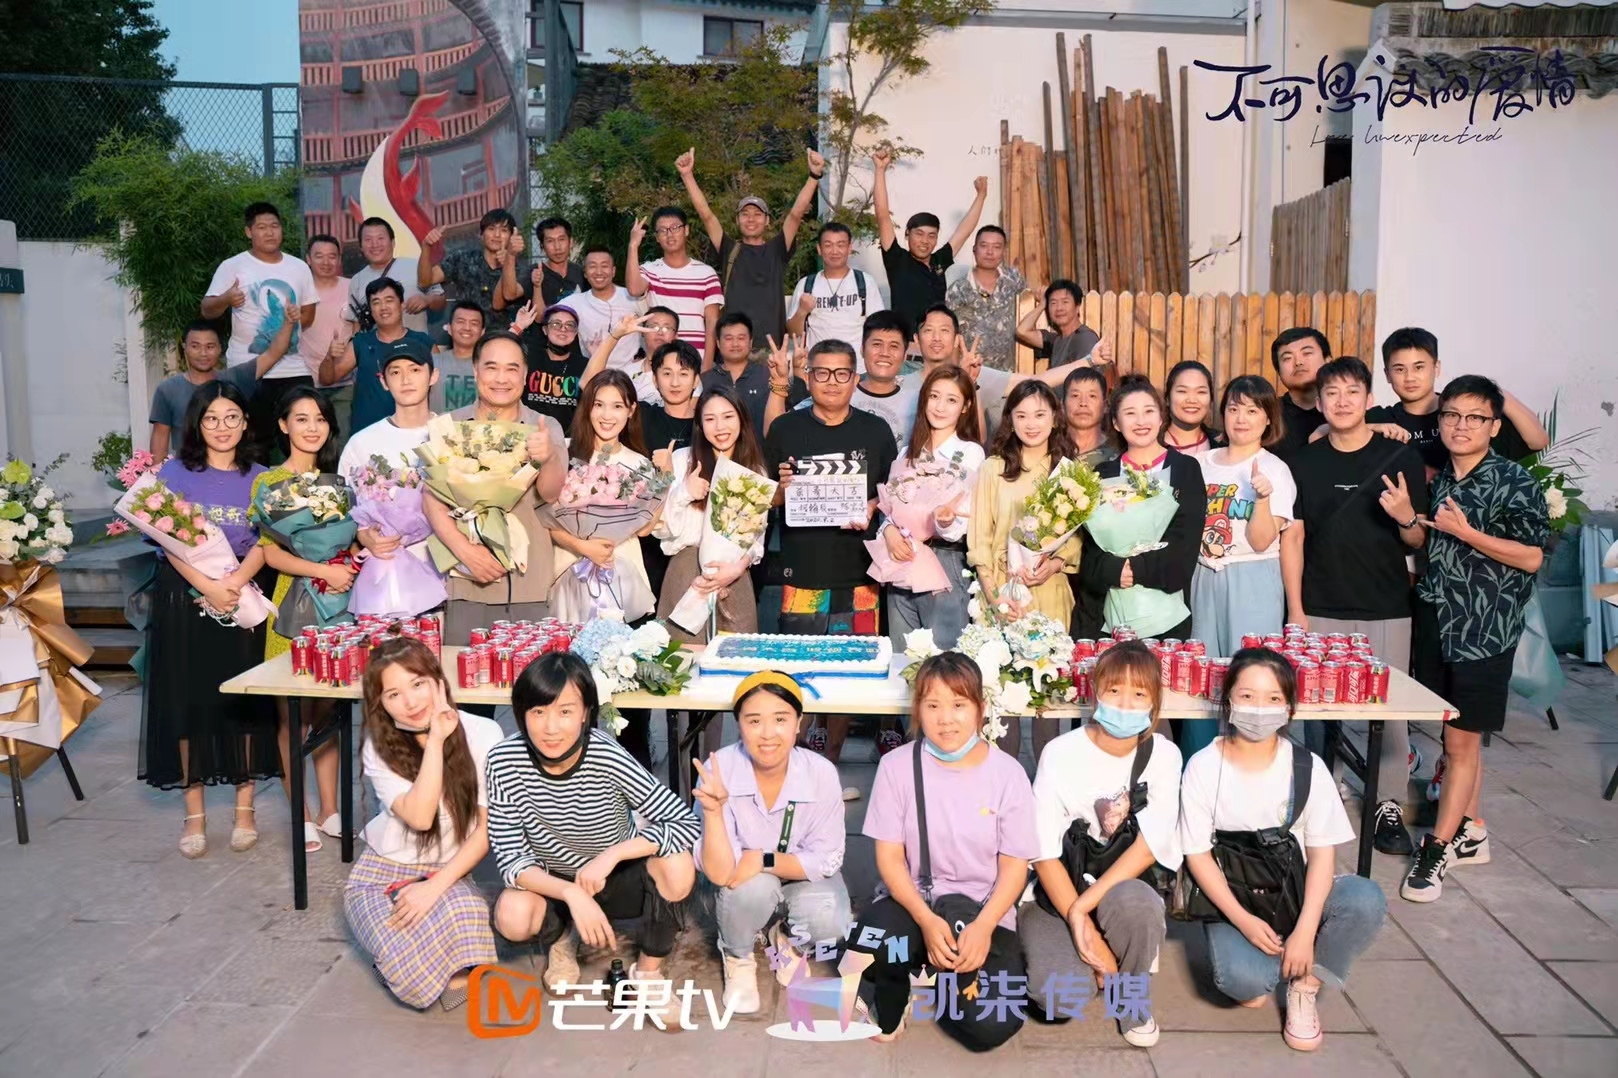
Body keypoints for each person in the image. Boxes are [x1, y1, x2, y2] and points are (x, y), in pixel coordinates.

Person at [1179, 648, 1386, 1053]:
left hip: (1295, 890)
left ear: (1289, 707)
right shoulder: (1203, 766)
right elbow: (1197, 854)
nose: (1259, 709)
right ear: (1228, 700)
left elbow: (1322, 854)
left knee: (1365, 898)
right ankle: (1266, 959)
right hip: (1236, 895)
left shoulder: (1307, 767)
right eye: (1247, 696)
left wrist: (1307, 930)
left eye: (1273, 698)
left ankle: (1305, 986)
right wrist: (1242, 920)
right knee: (1245, 984)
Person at [1400, 376, 1548, 904]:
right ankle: (1472, 832)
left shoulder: (1513, 480)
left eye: (1474, 417)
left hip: (1484, 630)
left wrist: (1467, 534)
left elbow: (1532, 557)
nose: (1461, 426)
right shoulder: (1441, 479)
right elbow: (1428, 544)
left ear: (1494, 426)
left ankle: (1436, 849)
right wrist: (1409, 521)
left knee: (1461, 742)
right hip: (1439, 620)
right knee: (1457, 737)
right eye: (1452, 416)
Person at [487, 652, 700, 1017]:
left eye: (565, 711)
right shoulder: (503, 761)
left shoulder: (606, 755)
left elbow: (684, 822)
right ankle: (561, 940)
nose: (551, 727)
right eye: (538, 711)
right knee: (512, 915)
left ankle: (648, 972)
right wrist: (571, 893)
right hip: (553, 883)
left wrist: (614, 855)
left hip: (613, 878)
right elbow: (510, 859)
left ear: (585, 712)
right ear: (521, 714)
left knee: (678, 864)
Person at [843, 652, 1038, 1049]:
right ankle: (897, 982)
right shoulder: (897, 766)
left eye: (958, 705)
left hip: (983, 912)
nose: (946, 719)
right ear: (917, 710)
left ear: (981, 707)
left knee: (991, 1026)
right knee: (871, 940)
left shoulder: (1008, 775)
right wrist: (927, 921)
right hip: (916, 904)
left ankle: (946, 980)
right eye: (933, 706)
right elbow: (889, 859)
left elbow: (1015, 867)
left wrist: (984, 928)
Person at [1282, 356, 1428, 854]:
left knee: (1389, 711)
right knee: (1314, 712)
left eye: (1352, 392)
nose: (1342, 402)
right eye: (1332, 393)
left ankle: (1387, 804)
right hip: (1320, 602)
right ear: (1320, 403)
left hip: (1385, 603)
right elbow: (1294, 539)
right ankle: (1318, 797)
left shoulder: (1400, 457)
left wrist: (1407, 516)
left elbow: (1415, 540)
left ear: (1369, 399)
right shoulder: (1303, 463)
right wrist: (1296, 609)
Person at [139, 382, 278, 858]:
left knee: (244, 702)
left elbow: (267, 541)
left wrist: (233, 583)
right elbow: (167, 541)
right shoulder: (174, 473)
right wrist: (207, 585)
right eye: (211, 418)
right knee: (188, 701)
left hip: (243, 593)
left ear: (245, 423)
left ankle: (245, 809)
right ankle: (194, 813)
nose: (222, 427)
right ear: (197, 425)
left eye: (231, 417)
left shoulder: (262, 478)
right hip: (184, 597)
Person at [1019, 641, 1181, 1047]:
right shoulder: (1060, 753)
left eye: (1139, 693)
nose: (1125, 704)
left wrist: (1083, 911)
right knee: (1057, 997)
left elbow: (1149, 846)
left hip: (1119, 887)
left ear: (1155, 702)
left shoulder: (1164, 755)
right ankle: (1101, 958)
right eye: (1114, 690)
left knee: (1140, 906)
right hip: (1058, 888)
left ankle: (1131, 995)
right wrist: (1077, 917)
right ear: (1094, 692)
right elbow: (1043, 851)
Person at [344, 638, 502, 1010]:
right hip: (382, 871)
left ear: (438, 681)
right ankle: (402, 960)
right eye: (393, 694)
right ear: (380, 703)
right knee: (402, 949)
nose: (411, 702)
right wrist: (434, 742)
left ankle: (440, 961)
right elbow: (420, 816)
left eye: (418, 684)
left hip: (447, 869)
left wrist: (434, 887)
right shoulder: (378, 747)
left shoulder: (484, 733)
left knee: (467, 915)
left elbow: (487, 828)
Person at [764, 339, 898, 772]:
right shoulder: (784, 429)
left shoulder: (875, 430)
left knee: (849, 670)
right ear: (808, 378)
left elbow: (892, 494)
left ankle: (832, 759)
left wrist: (873, 506)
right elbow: (764, 496)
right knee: (799, 669)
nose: (832, 382)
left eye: (842, 373)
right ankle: (796, 761)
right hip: (801, 570)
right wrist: (781, 490)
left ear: (855, 379)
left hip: (859, 573)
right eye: (822, 373)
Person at [692, 672, 851, 1014]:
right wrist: (714, 812)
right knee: (752, 890)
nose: (767, 733)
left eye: (780, 719)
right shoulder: (720, 769)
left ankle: (790, 940)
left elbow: (826, 858)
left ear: (799, 723)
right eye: (754, 721)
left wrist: (763, 858)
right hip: (743, 883)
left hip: (795, 875)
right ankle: (737, 956)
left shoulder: (820, 772)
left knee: (830, 919)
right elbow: (722, 874)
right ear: (739, 724)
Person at [252, 388, 354, 853]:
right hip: (292, 603)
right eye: (301, 418)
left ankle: (331, 810)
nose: (312, 428)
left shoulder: (337, 481)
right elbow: (270, 552)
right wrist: (322, 570)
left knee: (328, 708)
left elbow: (348, 541)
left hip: (336, 605)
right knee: (292, 714)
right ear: (283, 425)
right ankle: (302, 815)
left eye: (320, 419)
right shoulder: (269, 483)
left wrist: (351, 560)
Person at [422, 332, 567, 646]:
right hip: (467, 579)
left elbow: (551, 493)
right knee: (465, 669)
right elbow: (431, 499)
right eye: (491, 367)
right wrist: (465, 551)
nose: (501, 378)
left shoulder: (545, 427)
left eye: (512, 369)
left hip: (529, 578)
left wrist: (549, 457)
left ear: (525, 376)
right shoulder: (448, 426)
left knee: (530, 670)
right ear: (475, 371)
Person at [1183, 376, 1296, 757]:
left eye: (1252, 410)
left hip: (1253, 578)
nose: (1242, 418)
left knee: (1251, 677)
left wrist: (1262, 499)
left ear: (1268, 419)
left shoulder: (1275, 469)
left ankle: (1252, 764)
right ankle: (1198, 766)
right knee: (1201, 679)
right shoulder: (1200, 464)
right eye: (1234, 409)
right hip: (1203, 574)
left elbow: (1263, 540)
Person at [968, 380, 1080, 765]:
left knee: (1049, 696)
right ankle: (1007, 782)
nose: (1031, 424)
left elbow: (1078, 540)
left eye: (1040, 414)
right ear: (1010, 420)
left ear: (1055, 418)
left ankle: (1048, 785)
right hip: (1002, 591)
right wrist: (995, 597)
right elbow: (980, 538)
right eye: (1022, 415)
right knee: (1004, 696)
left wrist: (1055, 564)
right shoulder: (993, 469)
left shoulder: (1069, 472)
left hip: (1050, 592)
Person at [654, 385, 765, 702]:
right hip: (686, 572)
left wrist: (737, 568)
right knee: (682, 674)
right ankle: (683, 736)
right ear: (700, 425)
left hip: (733, 575)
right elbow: (664, 528)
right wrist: (684, 493)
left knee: (736, 675)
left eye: (728, 417)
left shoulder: (753, 467)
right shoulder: (681, 460)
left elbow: (756, 537)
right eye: (710, 419)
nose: (720, 426)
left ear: (741, 420)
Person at [1077, 376, 1204, 641]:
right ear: (1116, 422)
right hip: (1110, 615)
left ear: (1161, 417)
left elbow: (1185, 544)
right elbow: (1090, 550)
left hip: (1167, 616)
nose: (1141, 421)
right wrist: (1114, 570)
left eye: (1148, 411)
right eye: (1130, 413)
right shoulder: (1100, 475)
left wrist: (1135, 568)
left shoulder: (1185, 469)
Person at [881, 364, 985, 656]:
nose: (940, 407)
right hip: (901, 558)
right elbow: (890, 507)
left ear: (966, 406)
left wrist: (943, 521)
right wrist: (888, 532)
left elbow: (959, 526)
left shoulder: (970, 453)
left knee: (944, 660)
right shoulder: (907, 453)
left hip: (944, 560)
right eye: (934, 396)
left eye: (951, 400)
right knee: (902, 658)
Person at [678, 146, 823, 349]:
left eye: (757, 214)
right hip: (733, 348)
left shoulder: (777, 250)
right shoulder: (729, 250)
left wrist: (814, 176)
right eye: (745, 214)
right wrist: (687, 175)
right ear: (737, 220)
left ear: (767, 220)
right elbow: (706, 215)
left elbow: (795, 215)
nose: (751, 219)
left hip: (771, 350)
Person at [201, 201, 319, 438]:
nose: (270, 232)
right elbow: (207, 310)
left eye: (274, 226)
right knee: (253, 444)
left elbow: (308, 315)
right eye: (262, 227)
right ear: (249, 232)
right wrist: (226, 298)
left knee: (302, 439)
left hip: (293, 369)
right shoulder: (232, 266)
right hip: (249, 370)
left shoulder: (299, 267)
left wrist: (290, 323)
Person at [547, 369, 656, 624]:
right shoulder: (563, 452)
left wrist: (667, 482)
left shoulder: (640, 463)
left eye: (617, 406)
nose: (607, 415)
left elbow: (644, 529)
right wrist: (582, 547)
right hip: (569, 571)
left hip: (623, 576)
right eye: (599, 405)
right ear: (588, 407)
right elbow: (546, 520)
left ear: (631, 410)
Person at [1369, 327, 1548, 475]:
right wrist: (1371, 428)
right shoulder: (1381, 419)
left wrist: (1497, 393)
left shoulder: (1468, 415)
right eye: (1400, 369)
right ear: (1387, 375)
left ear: (1436, 368)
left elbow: (1537, 441)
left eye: (1419, 367)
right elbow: (1349, 439)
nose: (1410, 378)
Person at [337, 338, 439, 585]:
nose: (405, 380)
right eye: (395, 372)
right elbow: (342, 510)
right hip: (384, 575)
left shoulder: (451, 435)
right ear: (383, 381)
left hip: (445, 571)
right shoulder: (361, 443)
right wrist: (363, 535)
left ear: (433, 376)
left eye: (415, 370)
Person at [871, 149, 988, 336]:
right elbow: (883, 215)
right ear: (907, 235)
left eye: (931, 235)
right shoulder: (897, 259)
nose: (925, 241)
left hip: (936, 344)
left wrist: (981, 195)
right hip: (907, 348)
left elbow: (964, 231)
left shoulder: (939, 261)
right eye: (919, 234)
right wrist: (879, 170)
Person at [764, 310, 921, 448]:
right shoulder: (837, 391)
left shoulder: (917, 401)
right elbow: (776, 433)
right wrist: (779, 382)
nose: (884, 353)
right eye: (877, 344)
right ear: (862, 349)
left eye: (894, 346)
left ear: (905, 355)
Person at [321, 278, 437, 436]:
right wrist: (329, 357)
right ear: (370, 309)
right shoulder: (361, 343)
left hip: (415, 433)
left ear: (401, 304)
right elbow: (327, 379)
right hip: (367, 434)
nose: (383, 307)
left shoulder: (423, 342)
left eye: (389, 300)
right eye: (376, 302)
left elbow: (440, 386)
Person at [633, 339, 702, 603]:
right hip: (648, 535)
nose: (675, 382)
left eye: (683, 374)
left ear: (696, 380)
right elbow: (590, 388)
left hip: (693, 539)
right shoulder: (642, 416)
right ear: (654, 379)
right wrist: (615, 337)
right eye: (667, 373)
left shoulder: (708, 421)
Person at [1063, 365, 1119, 640]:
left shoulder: (1118, 454)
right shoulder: (1048, 449)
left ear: (1106, 405)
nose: (1083, 403)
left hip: (1100, 569)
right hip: (1055, 569)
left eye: (1092, 396)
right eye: (1075, 396)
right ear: (1062, 404)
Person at [149, 321, 260, 459]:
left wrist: (285, 321)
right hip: (187, 468)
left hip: (232, 467)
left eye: (210, 346)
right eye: (195, 346)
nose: (203, 353)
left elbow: (273, 353)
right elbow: (160, 439)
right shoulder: (168, 389)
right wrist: (157, 471)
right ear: (184, 347)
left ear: (220, 348)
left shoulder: (235, 378)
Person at [626, 207, 724, 361]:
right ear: (657, 237)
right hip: (660, 359)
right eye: (662, 230)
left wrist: (707, 363)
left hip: (695, 358)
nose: (669, 234)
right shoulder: (650, 270)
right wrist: (633, 246)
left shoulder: (706, 274)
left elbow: (712, 323)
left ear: (686, 230)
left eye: (675, 227)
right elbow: (634, 289)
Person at [785, 221, 887, 354]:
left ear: (850, 248)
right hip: (817, 363)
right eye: (828, 245)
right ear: (819, 249)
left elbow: (878, 328)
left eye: (841, 245)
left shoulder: (866, 282)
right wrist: (802, 311)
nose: (834, 251)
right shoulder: (806, 284)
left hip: (857, 364)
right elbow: (793, 333)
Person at [418, 209, 529, 331]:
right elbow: (425, 281)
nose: (497, 235)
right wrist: (426, 247)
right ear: (481, 235)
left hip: (501, 336)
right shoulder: (462, 259)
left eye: (503, 230)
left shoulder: (519, 271)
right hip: (465, 333)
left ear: (512, 237)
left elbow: (503, 301)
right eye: (491, 229)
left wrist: (508, 262)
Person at [701, 310, 796, 444]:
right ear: (718, 343)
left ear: (750, 342)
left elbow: (784, 423)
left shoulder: (769, 376)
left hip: (761, 454)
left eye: (741, 338)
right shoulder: (705, 380)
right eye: (728, 338)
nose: (735, 344)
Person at [301, 234, 356, 453]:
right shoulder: (299, 291)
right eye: (319, 256)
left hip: (345, 382)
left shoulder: (352, 288)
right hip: (307, 382)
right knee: (309, 446)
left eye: (332, 256)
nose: (326, 262)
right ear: (308, 259)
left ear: (339, 259)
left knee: (342, 445)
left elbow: (360, 330)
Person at [344, 217, 443, 336]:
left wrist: (427, 300)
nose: (375, 244)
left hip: (416, 345)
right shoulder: (357, 280)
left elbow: (441, 300)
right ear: (361, 246)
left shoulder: (417, 266)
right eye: (368, 240)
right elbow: (356, 324)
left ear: (393, 242)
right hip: (375, 347)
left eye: (380, 238)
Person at [945, 225, 1025, 371]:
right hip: (969, 371)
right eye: (984, 246)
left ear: (1004, 252)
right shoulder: (958, 289)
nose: (990, 252)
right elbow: (950, 334)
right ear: (974, 249)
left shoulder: (1014, 280)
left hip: (1009, 372)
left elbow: (1028, 310)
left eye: (996, 247)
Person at [556, 246, 640, 375]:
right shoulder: (575, 302)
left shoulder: (633, 298)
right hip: (594, 375)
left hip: (632, 376)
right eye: (592, 266)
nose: (599, 272)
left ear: (613, 271)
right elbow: (548, 319)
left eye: (604, 266)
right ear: (585, 273)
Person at [519, 301, 590, 431]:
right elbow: (497, 354)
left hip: (567, 438)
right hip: (527, 433)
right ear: (545, 330)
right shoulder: (529, 356)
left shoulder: (584, 365)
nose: (563, 329)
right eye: (556, 324)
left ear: (575, 333)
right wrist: (518, 327)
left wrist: (596, 356)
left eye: (570, 325)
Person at [1016, 279, 1112, 371]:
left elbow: (1087, 378)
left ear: (1077, 307)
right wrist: (1042, 304)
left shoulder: (1084, 339)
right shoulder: (1056, 340)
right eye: (1053, 303)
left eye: (1065, 302)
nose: (1059, 308)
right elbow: (1022, 331)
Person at [1267, 328, 1329, 463]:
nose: (1298, 362)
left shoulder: (1347, 410)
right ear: (1278, 372)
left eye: (1307, 353)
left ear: (1328, 360)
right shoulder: (1268, 415)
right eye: (1287, 358)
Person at [428, 301, 485, 414]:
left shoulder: (491, 366)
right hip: (439, 425)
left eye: (474, 323)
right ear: (449, 328)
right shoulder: (432, 363)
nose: (467, 328)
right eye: (461, 322)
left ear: (482, 332)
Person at [1162, 360, 1218, 457]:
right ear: (1167, 398)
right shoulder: (1149, 445)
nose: (1192, 400)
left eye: (1201, 392)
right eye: (1182, 391)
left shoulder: (1222, 444)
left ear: (1211, 399)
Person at [528, 217, 586, 308]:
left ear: (571, 242)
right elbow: (510, 294)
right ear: (542, 246)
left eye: (561, 239)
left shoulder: (582, 273)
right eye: (550, 241)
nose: (557, 247)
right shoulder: (533, 272)